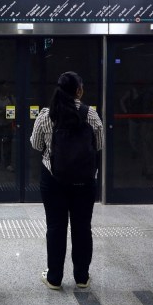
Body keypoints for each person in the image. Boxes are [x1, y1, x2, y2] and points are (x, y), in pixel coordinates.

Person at [30, 72, 103, 289]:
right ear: (79, 90)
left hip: (53, 179)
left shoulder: (46, 115)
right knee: (82, 227)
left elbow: (35, 145)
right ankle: (82, 277)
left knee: (55, 227)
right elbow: (98, 146)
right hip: (84, 181)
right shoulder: (91, 115)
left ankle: (54, 278)